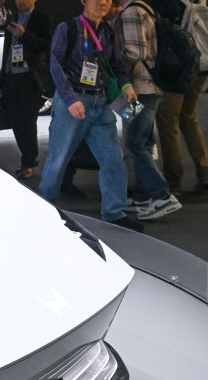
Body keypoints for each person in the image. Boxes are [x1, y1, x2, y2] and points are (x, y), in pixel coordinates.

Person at [37, 0, 142, 231]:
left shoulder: (107, 30)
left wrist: (125, 85)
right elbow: (55, 64)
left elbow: (117, 63)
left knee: (113, 158)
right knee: (58, 158)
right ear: (83, 1)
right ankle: (43, 210)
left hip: (100, 101)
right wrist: (69, 98)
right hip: (72, 101)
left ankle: (115, 212)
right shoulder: (68, 28)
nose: (103, 2)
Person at [115, 0, 183, 220]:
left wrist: (112, 61)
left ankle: (162, 196)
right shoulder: (144, 8)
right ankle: (143, 196)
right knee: (141, 140)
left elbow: (135, 52)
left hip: (141, 90)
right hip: (148, 89)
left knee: (133, 142)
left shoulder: (131, 11)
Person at [154, 0, 208, 196]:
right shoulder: (194, 2)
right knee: (187, 117)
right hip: (201, 65)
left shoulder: (162, 5)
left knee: (167, 121)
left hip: (177, 69)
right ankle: (205, 172)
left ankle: (173, 181)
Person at [0, 0, 51, 179]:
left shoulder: (41, 18)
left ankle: (28, 161)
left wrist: (25, 34)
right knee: (16, 121)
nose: (20, 1)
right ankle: (28, 158)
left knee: (28, 121)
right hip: (11, 74)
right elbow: (8, 48)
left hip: (30, 77)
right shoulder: (11, 17)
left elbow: (46, 45)